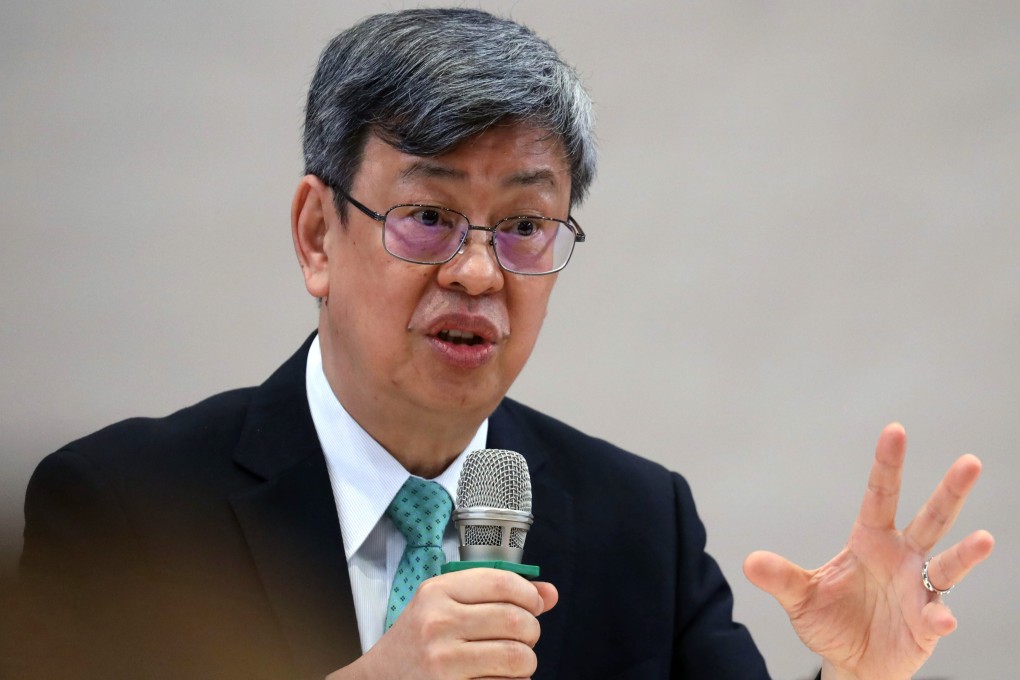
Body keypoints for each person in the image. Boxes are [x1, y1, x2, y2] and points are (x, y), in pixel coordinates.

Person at [12, 8, 994, 680]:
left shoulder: (639, 523)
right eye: (429, 214)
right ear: (318, 232)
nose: (478, 272)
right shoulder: (123, 509)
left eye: (524, 226)